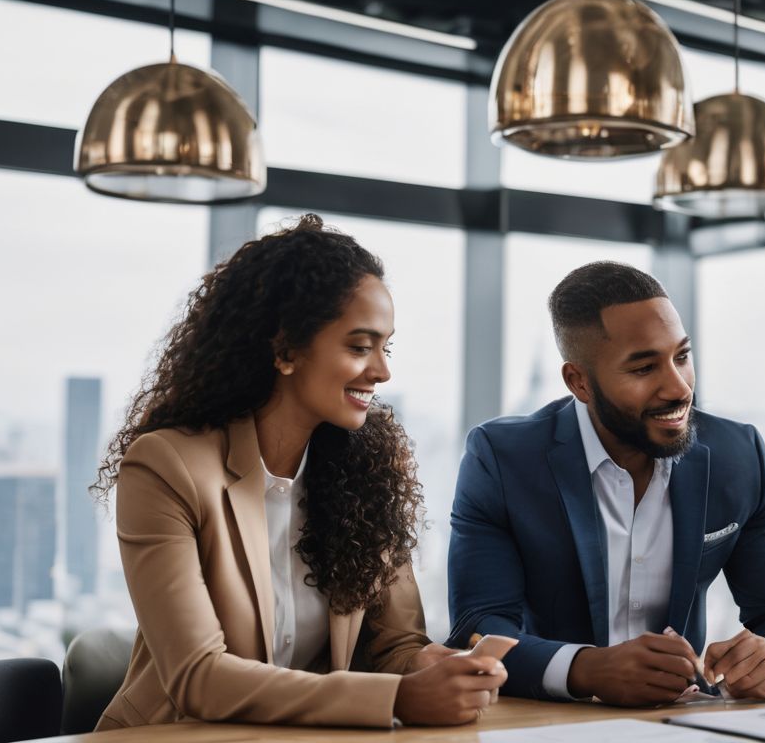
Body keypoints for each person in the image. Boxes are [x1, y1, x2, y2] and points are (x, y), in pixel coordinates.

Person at [94, 214, 505, 730]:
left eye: (385, 346)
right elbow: (199, 676)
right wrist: (396, 699)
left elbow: (396, 644)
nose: (382, 370)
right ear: (285, 351)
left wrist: (426, 667)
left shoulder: (366, 471)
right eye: (359, 346)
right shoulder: (166, 466)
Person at [447, 261, 765, 706]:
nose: (678, 387)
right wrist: (587, 668)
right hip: (544, 721)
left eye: (681, 357)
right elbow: (479, 626)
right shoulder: (502, 458)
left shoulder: (737, 455)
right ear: (579, 381)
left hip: (684, 722)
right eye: (645, 368)